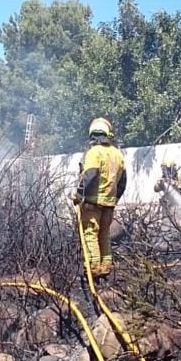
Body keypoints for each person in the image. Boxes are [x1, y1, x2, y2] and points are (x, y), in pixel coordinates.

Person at [72, 117, 127, 278]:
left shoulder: (94, 152)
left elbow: (90, 175)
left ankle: (94, 268)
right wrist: (113, 200)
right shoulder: (118, 154)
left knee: (90, 233)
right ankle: (106, 266)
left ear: (92, 135)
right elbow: (123, 182)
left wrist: (79, 194)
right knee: (104, 234)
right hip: (109, 205)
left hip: (92, 203)